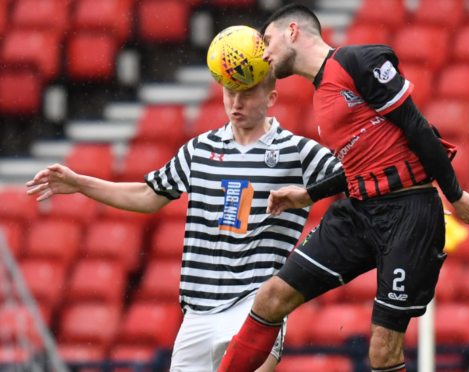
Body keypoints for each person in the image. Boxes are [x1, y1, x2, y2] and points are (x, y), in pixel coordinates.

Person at [218, 5, 469, 372]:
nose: (264, 54)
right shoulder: (321, 96)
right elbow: (358, 164)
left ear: (292, 31)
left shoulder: (357, 61)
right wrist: (310, 193)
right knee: (270, 296)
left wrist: (456, 195)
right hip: (359, 212)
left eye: (266, 41)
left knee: (382, 352)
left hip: (408, 211)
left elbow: (415, 126)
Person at [26, 69, 345, 372]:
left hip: (255, 304)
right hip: (197, 312)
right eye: (229, 92)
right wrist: (81, 183)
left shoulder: (298, 152)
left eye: (247, 94)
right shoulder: (199, 149)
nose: (236, 103)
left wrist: (309, 199)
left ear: (271, 97)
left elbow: (354, 175)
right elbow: (148, 196)